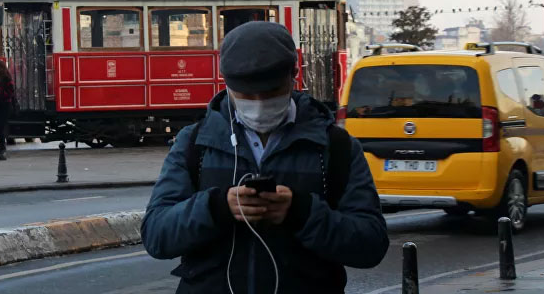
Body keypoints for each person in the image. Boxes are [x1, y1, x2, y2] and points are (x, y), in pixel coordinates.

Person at [141, 22, 388, 293]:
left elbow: (371, 245)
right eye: (246, 94)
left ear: (294, 74)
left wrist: (302, 213)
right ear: (226, 82)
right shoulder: (194, 143)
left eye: (271, 92)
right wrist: (216, 208)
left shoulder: (336, 147)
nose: (258, 103)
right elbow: (156, 236)